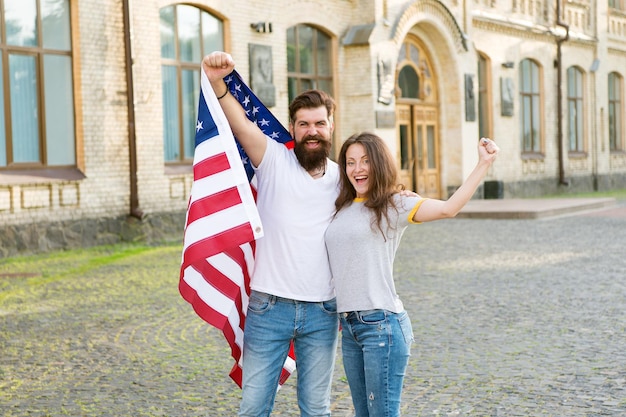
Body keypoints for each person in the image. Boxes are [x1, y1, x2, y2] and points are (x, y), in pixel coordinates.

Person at [202, 51, 340, 417]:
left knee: (316, 408)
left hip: (323, 311)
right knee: (253, 408)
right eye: (304, 124)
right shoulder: (273, 159)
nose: (312, 131)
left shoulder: (345, 179)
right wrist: (217, 81)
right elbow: (242, 123)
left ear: (331, 127)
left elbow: (382, 199)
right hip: (269, 307)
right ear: (293, 128)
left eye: (320, 124)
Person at [324, 132, 499, 417]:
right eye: (351, 162)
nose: (358, 169)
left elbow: (448, 209)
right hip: (350, 328)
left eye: (366, 161)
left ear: (379, 164)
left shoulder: (394, 204)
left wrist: (483, 164)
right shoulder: (341, 206)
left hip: (381, 327)